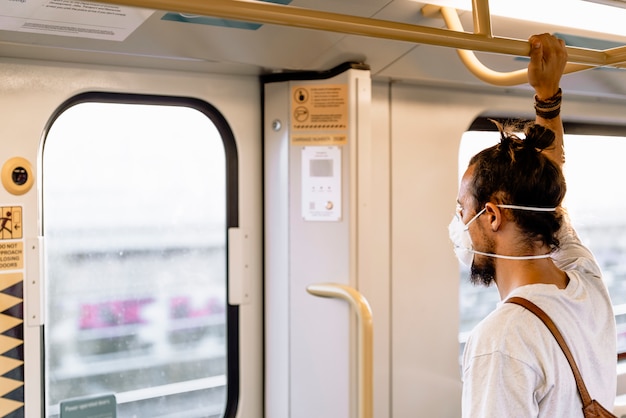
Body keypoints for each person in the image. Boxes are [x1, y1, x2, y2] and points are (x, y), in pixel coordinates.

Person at [449, 33, 617, 417]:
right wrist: (547, 95)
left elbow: (546, 186)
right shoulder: (585, 281)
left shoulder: (502, 339)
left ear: (491, 215)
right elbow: (547, 187)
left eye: (462, 211)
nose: (459, 225)